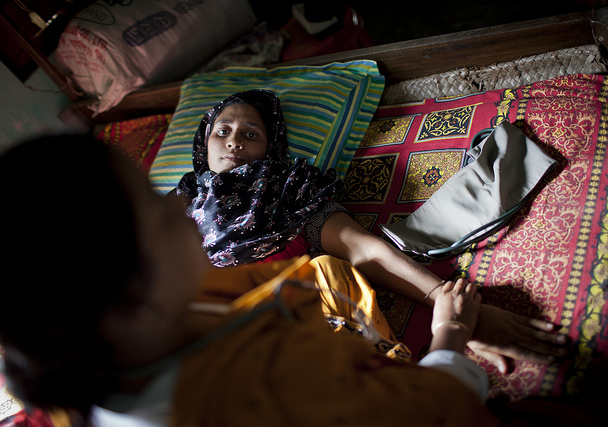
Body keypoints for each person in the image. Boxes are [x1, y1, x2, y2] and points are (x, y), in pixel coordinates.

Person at [0, 134, 498, 426]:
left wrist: (434, 292)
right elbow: (428, 412)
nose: (176, 205)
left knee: (326, 269)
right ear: (130, 300)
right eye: (155, 208)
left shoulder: (106, 347)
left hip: (306, 291)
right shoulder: (262, 392)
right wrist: (448, 340)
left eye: (252, 130)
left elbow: (338, 251)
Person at [173, 89, 569, 374]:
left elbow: (364, 252)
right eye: (222, 131)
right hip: (202, 342)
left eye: (251, 134)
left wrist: (453, 314)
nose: (234, 142)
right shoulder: (173, 209)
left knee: (328, 271)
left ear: (271, 147)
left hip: (282, 330)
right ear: (203, 142)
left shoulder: (290, 190)